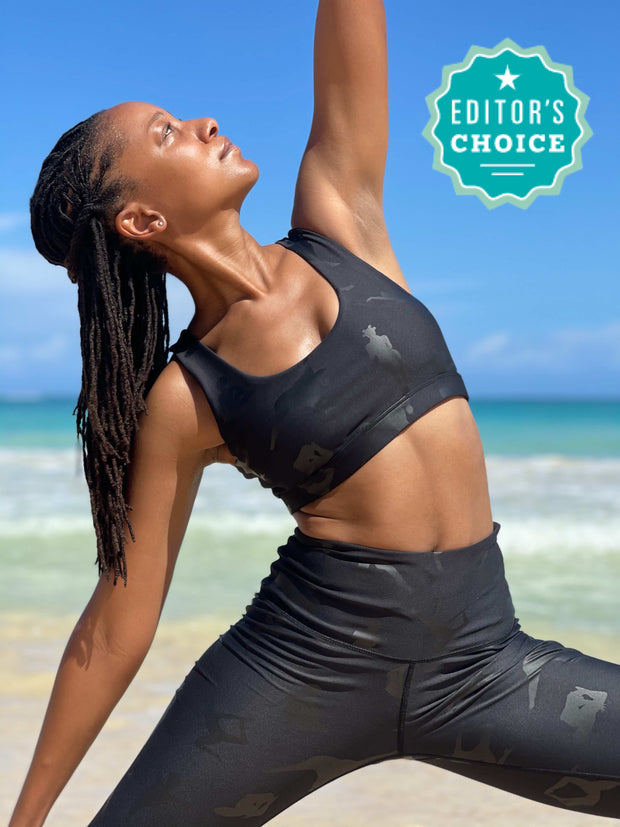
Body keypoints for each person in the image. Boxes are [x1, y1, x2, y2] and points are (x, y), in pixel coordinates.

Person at [10, 2, 620, 824]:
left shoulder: (340, 217)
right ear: (142, 220)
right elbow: (121, 619)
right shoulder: (187, 395)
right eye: (166, 135)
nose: (203, 122)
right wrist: (28, 814)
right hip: (299, 669)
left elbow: (352, 25)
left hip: (484, 662)